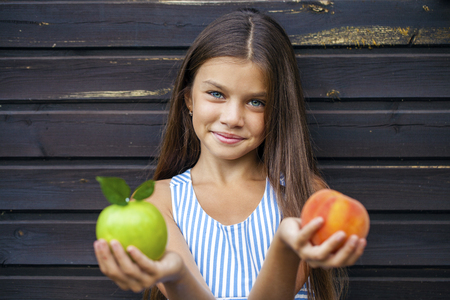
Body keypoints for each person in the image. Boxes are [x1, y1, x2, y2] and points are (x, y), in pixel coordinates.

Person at [93, 8, 366, 300]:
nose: (233, 117)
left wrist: (287, 246)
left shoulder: (304, 194)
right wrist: (176, 274)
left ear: (278, 111)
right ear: (188, 99)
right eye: (217, 94)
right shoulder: (154, 203)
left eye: (256, 102)